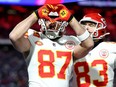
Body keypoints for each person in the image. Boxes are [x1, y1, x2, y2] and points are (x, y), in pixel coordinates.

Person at [9, 4, 94, 87]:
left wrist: (71, 18)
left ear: (63, 22)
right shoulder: (33, 36)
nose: (52, 22)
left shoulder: (71, 41)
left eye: (56, 19)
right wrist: (36, 14)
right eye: (48, 19)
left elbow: (89, 44)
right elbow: (14, 36)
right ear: (42, 21)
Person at [72, 13, 116, 87]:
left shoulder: (112, 48)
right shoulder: (73, 47)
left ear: (101, 28)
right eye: (83, 24)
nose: (86, 28)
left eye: (91, 25)